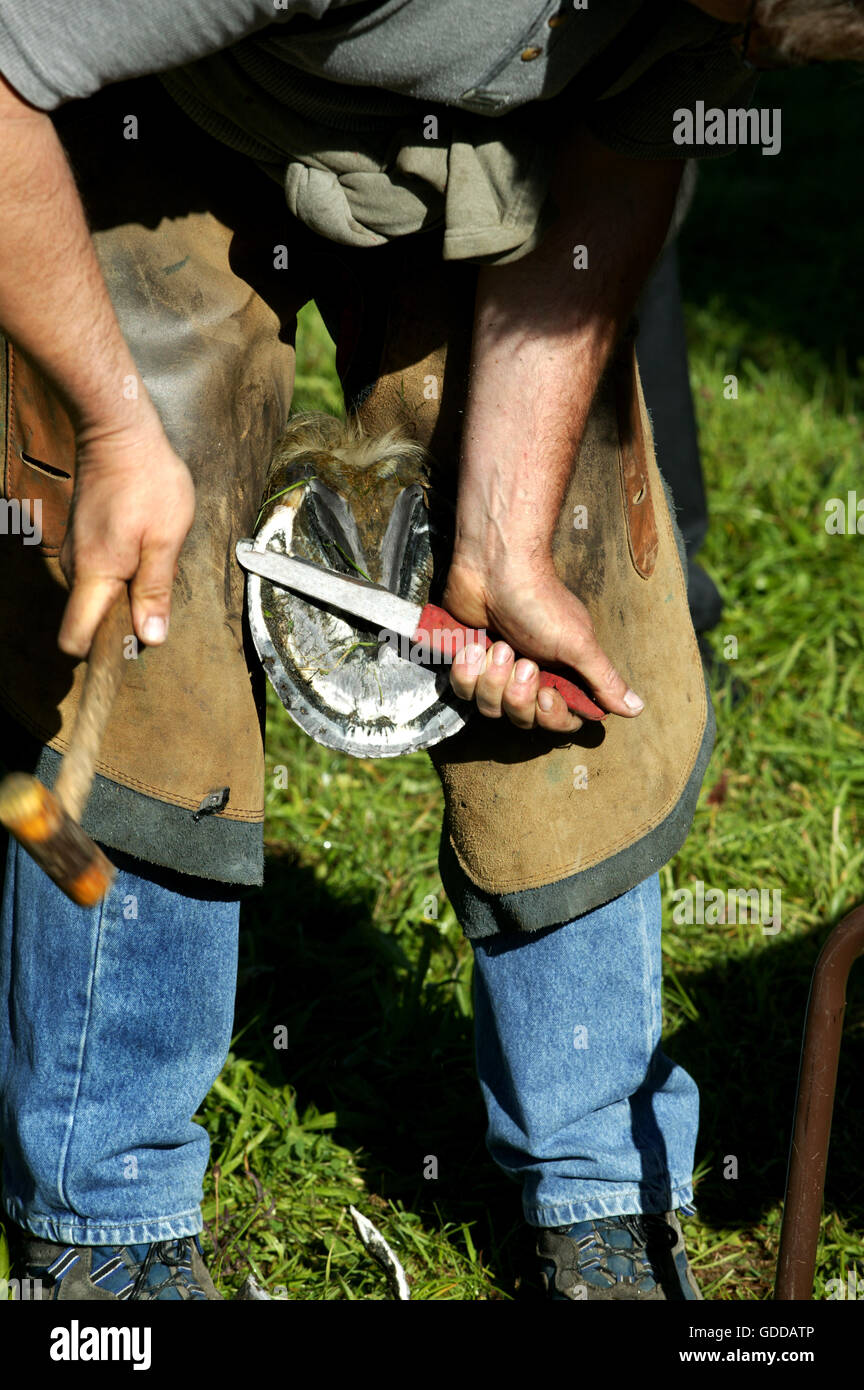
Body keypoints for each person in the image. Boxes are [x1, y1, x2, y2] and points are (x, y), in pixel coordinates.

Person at [0, 0, 859, 1302]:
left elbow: (625, 147)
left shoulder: (726, 12)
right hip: (146, 108)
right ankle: (104, 1205)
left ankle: (600, 1180)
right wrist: (112, 421)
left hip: (475, 152)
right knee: (138, 620)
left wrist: (508, 533)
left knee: (573, 567)